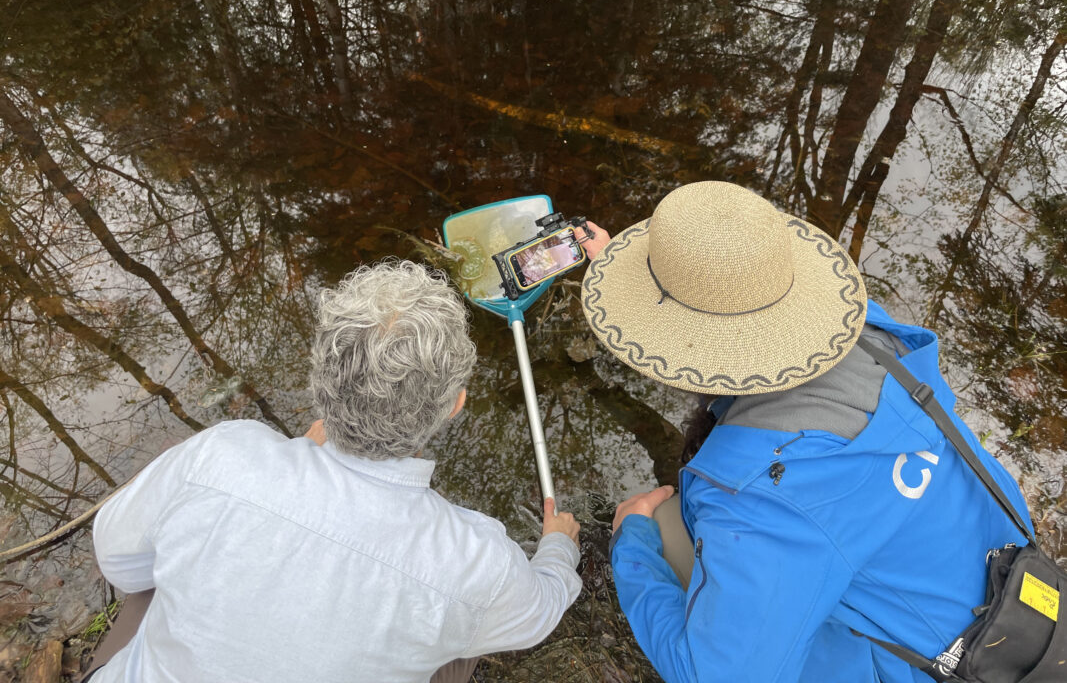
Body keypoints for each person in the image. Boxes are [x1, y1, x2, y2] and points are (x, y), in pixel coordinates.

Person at [577, 181, 1032, 683]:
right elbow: (735, 314)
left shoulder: (756, 497)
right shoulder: (864, 328)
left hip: (944, 668)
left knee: (662, 520)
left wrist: (632, 544)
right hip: (1014, 591)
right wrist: (644, 275)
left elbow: (718, 677)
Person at [84, 260, 582, 683]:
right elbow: (537, 614)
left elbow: (121, 563)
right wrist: (559, 545)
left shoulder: (221, 455)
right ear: (454, 405)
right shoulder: (475, 560)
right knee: (466, 630)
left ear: (320, 381)